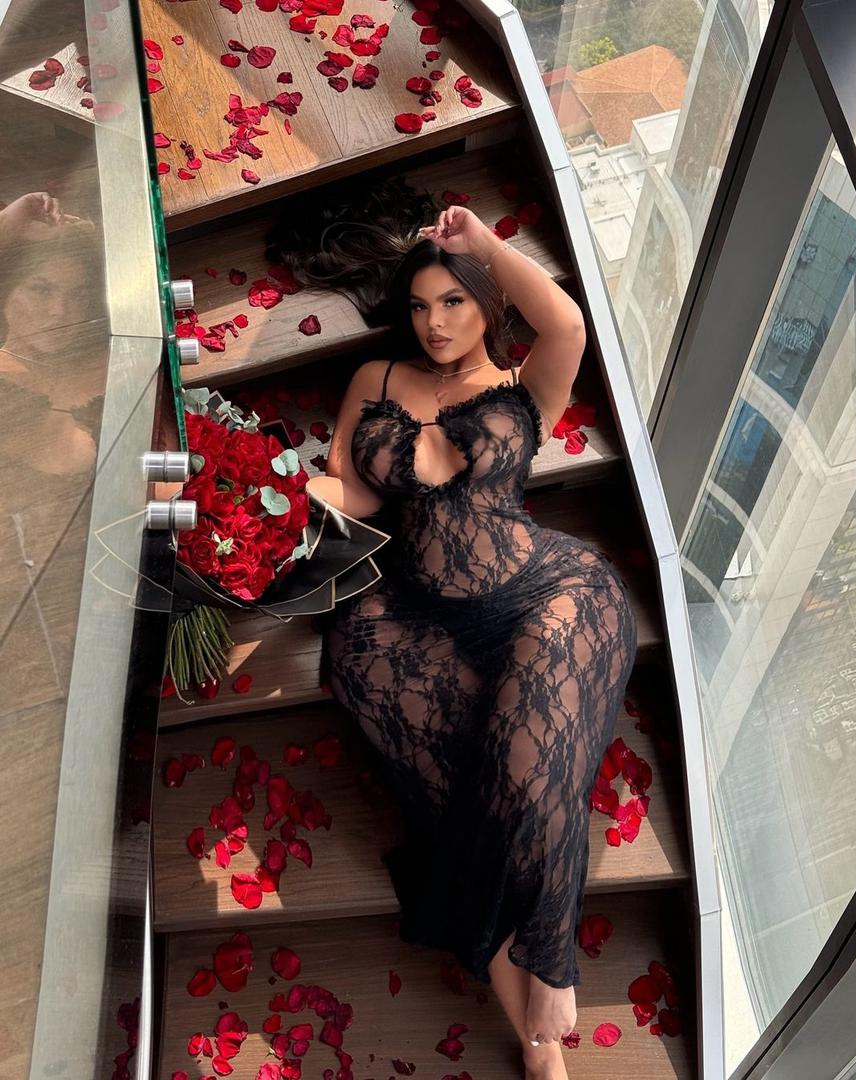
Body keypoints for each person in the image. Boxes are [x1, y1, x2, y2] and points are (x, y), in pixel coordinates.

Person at [303, 203, 638, 1080]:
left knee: (526, 781)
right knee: (463, 804)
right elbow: (355, 495)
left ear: (487, 305)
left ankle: (550, 960)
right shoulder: (377, 376)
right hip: (421, 617)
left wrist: (484, 244)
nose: (435, 323)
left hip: (545, 595)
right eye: (420, 306)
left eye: (453, 302)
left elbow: (566, 322)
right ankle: (539, 1041)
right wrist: (269, 490)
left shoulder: (528, 385)